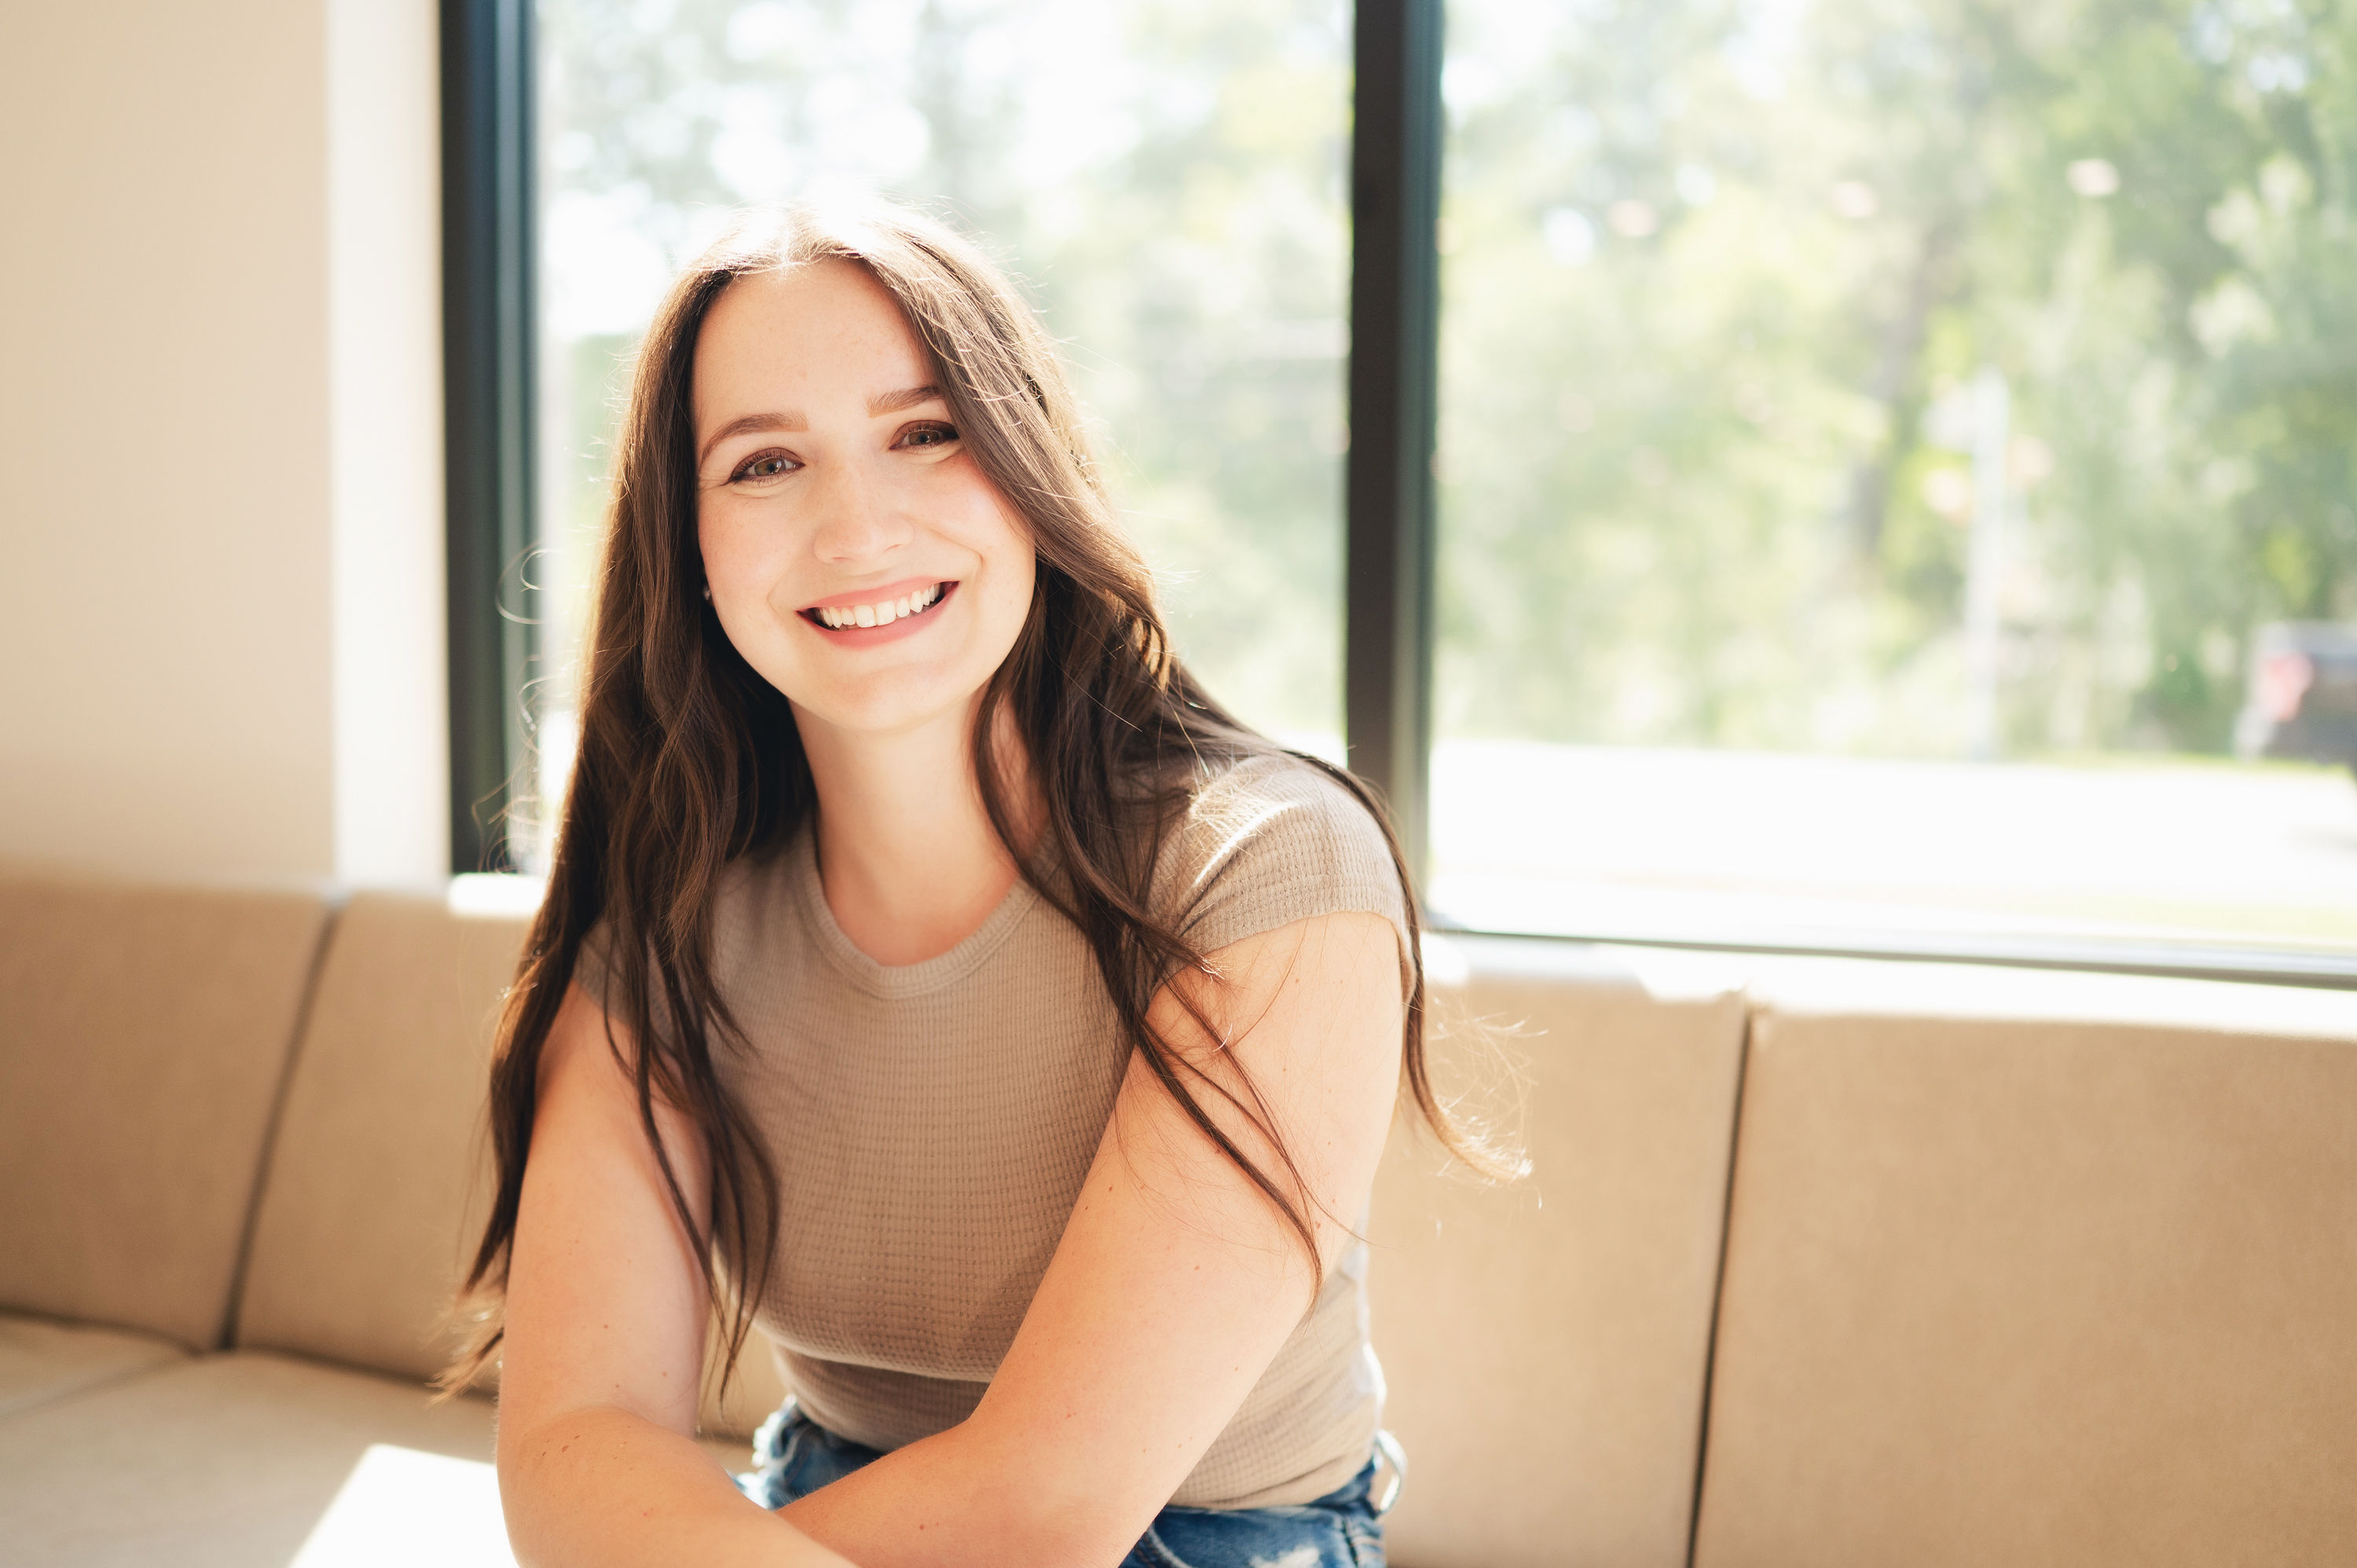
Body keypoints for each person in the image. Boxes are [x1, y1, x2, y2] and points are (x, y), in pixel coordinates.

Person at [448, 201, 1505, 1568]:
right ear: (691, 550)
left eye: (925, 433)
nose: (855, 526)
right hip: (814, 1520)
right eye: (765, 463)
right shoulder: (669, 927)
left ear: (1028, 468)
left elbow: (1049, 1506)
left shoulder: (1269, 868)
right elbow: (575, 1441)